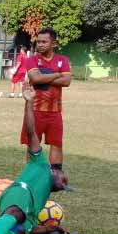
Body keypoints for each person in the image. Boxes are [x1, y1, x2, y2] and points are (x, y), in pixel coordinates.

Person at [0, 81, 70, 234]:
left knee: (23, 229)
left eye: (64, 186)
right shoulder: (41, 164)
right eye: (64, 179)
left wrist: (51, 228)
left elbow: (33, 229)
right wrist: (28, 103)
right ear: (56, 171)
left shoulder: (41, 200)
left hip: (27, 207)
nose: (63, 184)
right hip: (18, 193)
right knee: (17, 214)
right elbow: (32, 133)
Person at [22, 28, 72, 169]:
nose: (40, 44)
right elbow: (35, 78)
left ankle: (56, 179)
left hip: (55, 111)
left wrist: (44, 78)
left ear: (54, 43)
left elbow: (67, 81)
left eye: (44, 42)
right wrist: (57, 75)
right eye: (38, 42)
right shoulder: (32, 60)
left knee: (57, 144)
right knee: (32, 143)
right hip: (35, 110)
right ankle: (32, 177)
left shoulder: (63, 60)